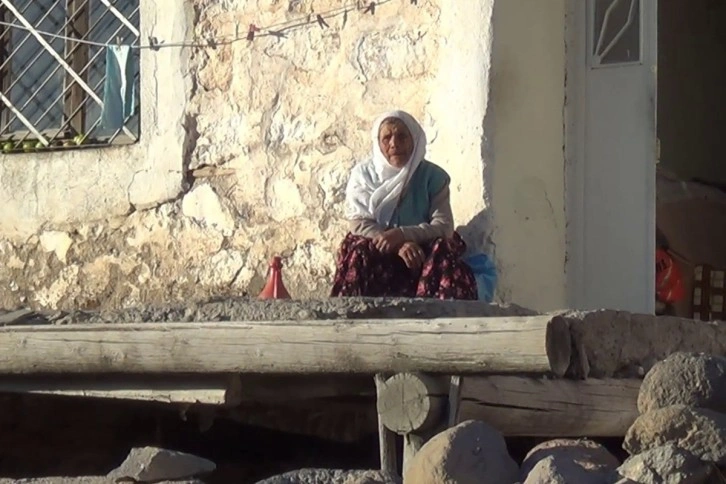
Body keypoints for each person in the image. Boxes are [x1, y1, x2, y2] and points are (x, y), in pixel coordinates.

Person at [330, 110, 478, 300]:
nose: (394, 144)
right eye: (387, 138)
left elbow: (444, 226)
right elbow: (359, 223)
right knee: (358, 249)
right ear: (378, 143)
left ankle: (435, 309)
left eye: (402, 136)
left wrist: (403, 234)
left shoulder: (434, 177)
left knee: (443, 247)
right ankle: (353, 311)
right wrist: (397, 244)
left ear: (414, 140)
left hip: (421, 247)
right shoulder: (363, 175)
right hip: (380, 243)